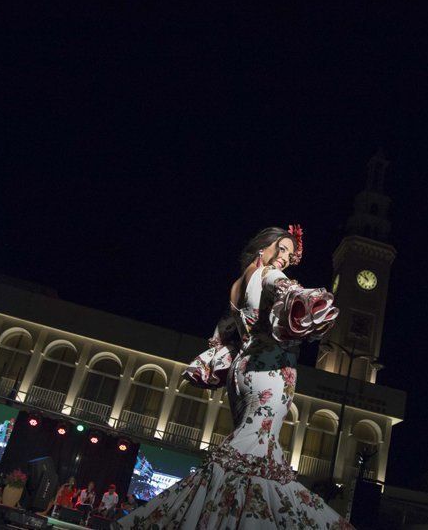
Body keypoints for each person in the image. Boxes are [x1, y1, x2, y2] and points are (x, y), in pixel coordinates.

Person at [115, 225, 349, 529]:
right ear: (262, 248)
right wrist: (311, 302)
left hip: (242, 372)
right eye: (281, 249)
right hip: (269, 373)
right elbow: (290, 293)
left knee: (243, 461)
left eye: (291, 254)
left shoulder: (238, 285)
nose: (286, 258)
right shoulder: (269, 275)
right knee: (254, 459)